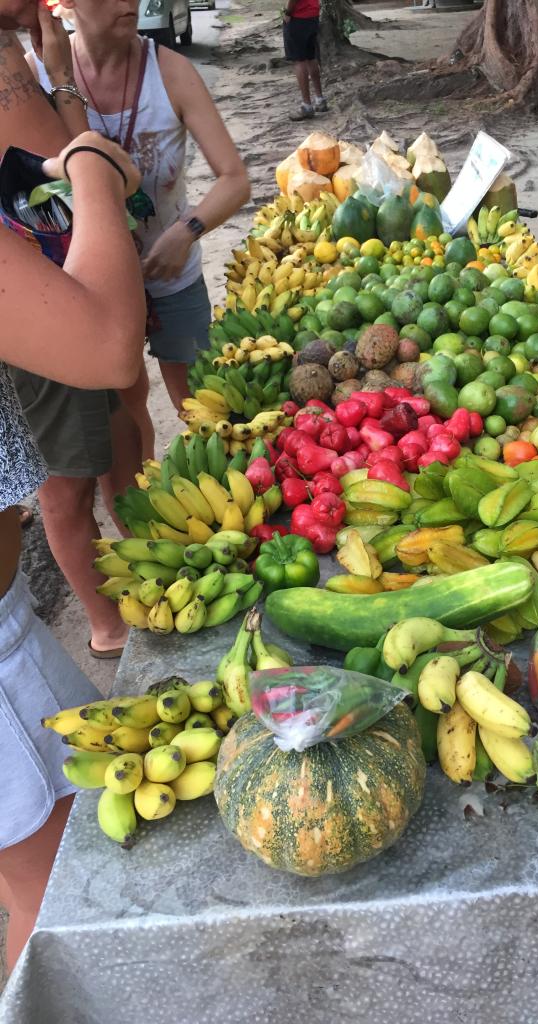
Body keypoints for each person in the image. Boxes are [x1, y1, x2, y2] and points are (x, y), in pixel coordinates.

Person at [0, 4, 145, 978]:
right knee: (55, 913)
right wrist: (92, 161)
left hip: (10, 625)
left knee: (59, 864)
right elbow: (102, 339)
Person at [29, 0, 251, 419]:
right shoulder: (40, 72)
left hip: (169, 274)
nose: (126, 2)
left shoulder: (169, 72)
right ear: (67, 4)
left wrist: (185, 232)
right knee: (122, 420)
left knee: (202, 410)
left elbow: (234, 179)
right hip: (86, 285)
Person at [0, 21, 143, 661]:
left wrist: (57, 77)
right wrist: (92, 163)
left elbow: (46, 172)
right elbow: (72, 169)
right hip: (46, 312)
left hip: (65, 286)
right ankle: (107, 625)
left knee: (105, 447)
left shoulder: (14, 46)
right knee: (64, 483)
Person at [283, 0, 328, 121]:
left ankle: (307, 106)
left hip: (298, 17)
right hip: (312, 15)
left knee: (299, 60)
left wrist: (288, 12)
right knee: (310, 57)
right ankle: (320, 99)